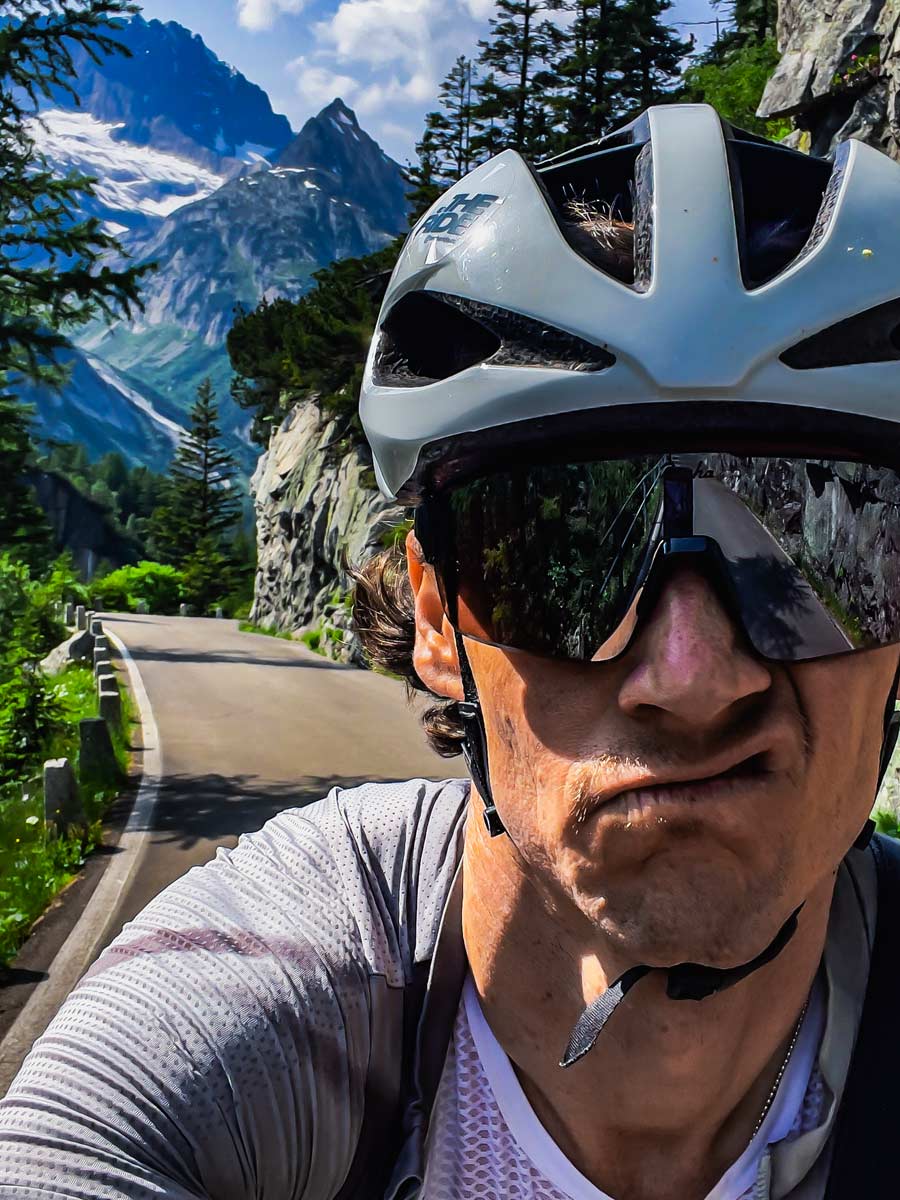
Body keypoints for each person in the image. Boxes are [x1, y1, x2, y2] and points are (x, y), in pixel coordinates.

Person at [2, 102, 900, 1199]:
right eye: (558, 553)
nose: (693, 677)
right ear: (437, 617)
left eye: (829, 555)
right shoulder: (270, 990)